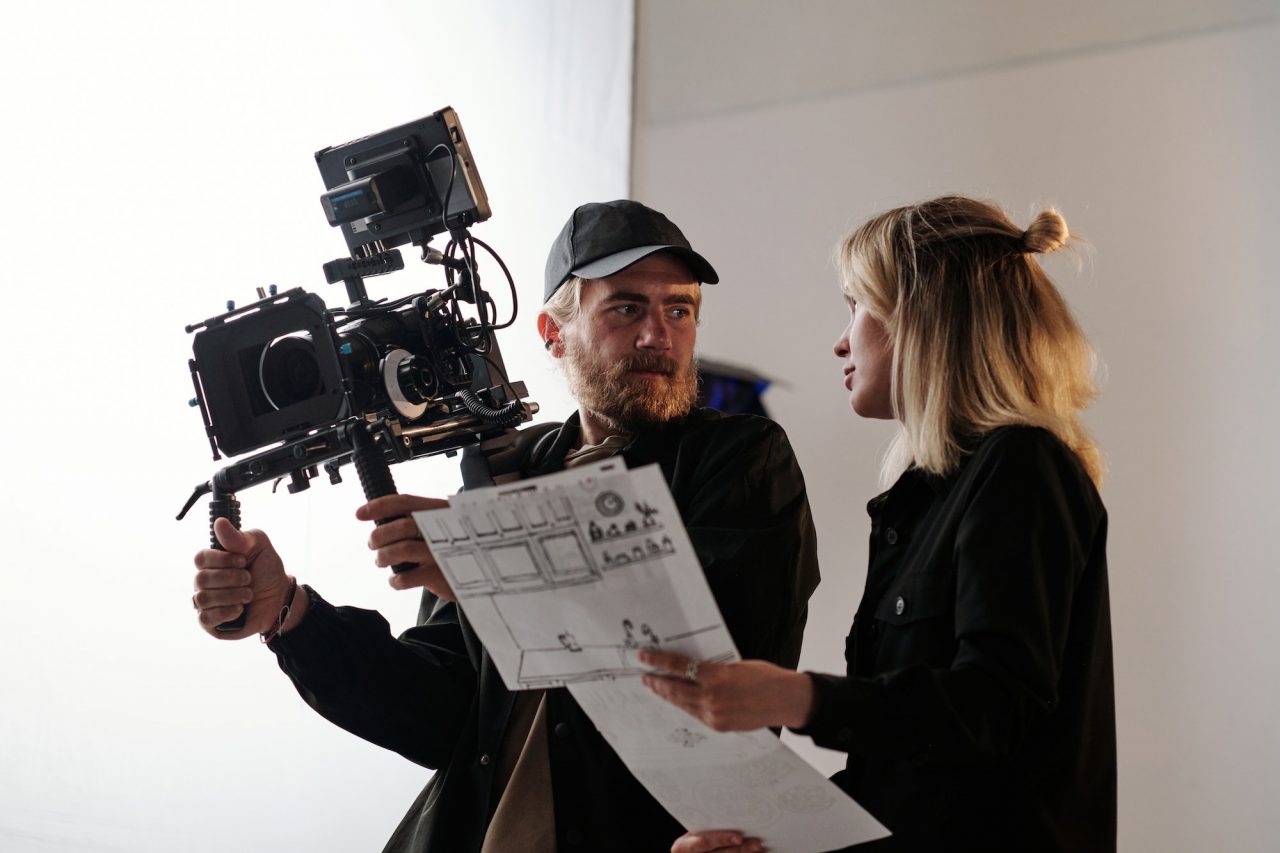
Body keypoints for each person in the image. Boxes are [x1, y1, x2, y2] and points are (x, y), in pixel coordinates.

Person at [190, 199, 821, 853]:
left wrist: (488, 573)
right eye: (627, 308)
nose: (657, 335)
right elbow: (439, 716)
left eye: (679, 310)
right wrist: (290, 614)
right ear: (553, 333)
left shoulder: (741, 457)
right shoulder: (507, 469)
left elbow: (712, 670)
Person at [641, 195, 1115, 853]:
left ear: (923, 317)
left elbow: (992, 710)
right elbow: (907, 778)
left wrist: (798, 698)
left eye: (856, 306)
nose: (841, 340)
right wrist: (765, 838)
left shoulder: (1021, 466)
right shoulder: (918, 500)